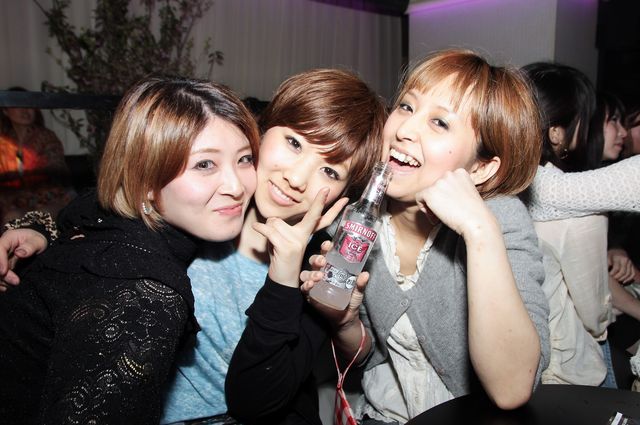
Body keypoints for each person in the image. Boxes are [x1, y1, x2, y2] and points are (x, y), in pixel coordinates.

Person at [0, 69, 387, 425]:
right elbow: (111, 204)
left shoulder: (321, 269)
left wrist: (284, 277)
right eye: (293, 142)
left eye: (330, 170)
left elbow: (255, 403)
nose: (297, 178)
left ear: (345, 194)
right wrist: (41, 231)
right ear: (262, 129)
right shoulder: (206, 201)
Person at [227, 49, 551, 425]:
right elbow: (366, 358)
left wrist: (479, 233)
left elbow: (512, 389)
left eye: (439, 123)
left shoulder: (498, 221)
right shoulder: (354, 223)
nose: (404, 130)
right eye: (406, 107)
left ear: (480, 168)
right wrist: (345, 322)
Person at [0, 76, 264, 424]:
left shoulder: (115, 217)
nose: (237, 186)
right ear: (146, 177)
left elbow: (77, 215)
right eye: (205, 164)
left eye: (245, 159)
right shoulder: (146, 297)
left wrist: (38, 230)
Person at [523, 63, 620, 388]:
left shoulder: (491, 183)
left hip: (515, 361)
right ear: (557, 133)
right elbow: (593, 313)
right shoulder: (580, 205)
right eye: (585, 120)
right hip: (565, 367)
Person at [0, 86, 76, 224]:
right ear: (5, 111)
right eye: (19, 106)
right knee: (11, 217)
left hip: (51, 198)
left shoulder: (46, 137)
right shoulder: (4, 142)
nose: (26, 111)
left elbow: (56, 173)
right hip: (16, 202)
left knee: (40, 215)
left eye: (29, 105)